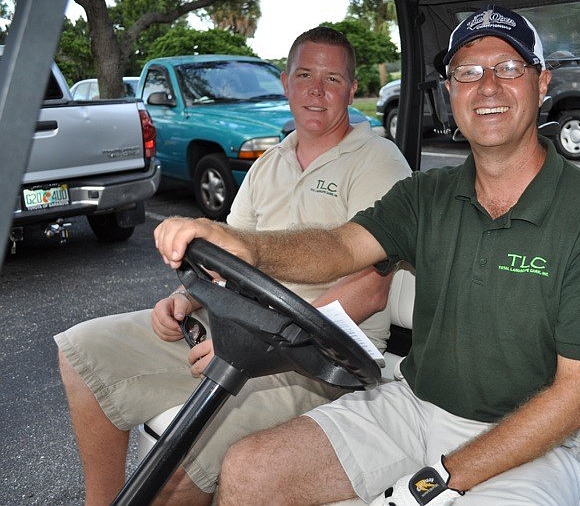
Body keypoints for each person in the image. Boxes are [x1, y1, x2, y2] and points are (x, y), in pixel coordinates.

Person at [154, 5, 580, 505]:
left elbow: (574, 400)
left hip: (536, 442)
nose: (488, 87)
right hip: (412, 406)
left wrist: (443, 476)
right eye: (468, 73)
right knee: (249, 471)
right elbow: (340, 245)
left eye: (509, 68)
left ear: (542, 84)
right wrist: (248, 246)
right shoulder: (426, 195)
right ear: (450, 92)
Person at [54, 26, 411, 506]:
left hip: (318, 363)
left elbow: (372, 286)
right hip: (235, 335)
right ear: (285, 82)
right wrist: (186, 298)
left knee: (176, 464)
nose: (316, 90)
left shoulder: (377, 162)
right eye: (304, 75)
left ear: (351, 89)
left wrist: (266, 341)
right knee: (83, 350)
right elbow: (226, 259)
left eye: (332, 79)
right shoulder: (269, 163)